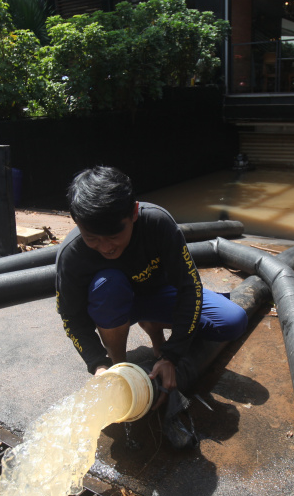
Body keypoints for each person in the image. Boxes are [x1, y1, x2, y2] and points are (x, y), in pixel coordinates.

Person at [55, 167, 248, 395]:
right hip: (113, 306)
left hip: (159, 294)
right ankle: (119, 365)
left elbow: (189, 288)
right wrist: (98, 364)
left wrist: (172, 356)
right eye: (92, 239)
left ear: (134, 212)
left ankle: (154, 328)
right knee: (109, 284)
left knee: (233, 321)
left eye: (114, 236)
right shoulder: (71, 254)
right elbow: (71, 316)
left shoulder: (158, 223)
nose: (106, 247)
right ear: (76, 222)